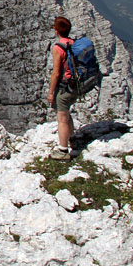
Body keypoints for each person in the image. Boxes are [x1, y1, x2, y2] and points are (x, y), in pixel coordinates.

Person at [47, 16, 76, 160]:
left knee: (62, 119)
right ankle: (73, 139)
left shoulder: (58, 48)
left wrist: (51, 92)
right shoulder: (73, 43)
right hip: (76, 85)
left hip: (65, 88)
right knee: (67, 113)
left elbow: (56, 73)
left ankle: (63, 151)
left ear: (56, 30)